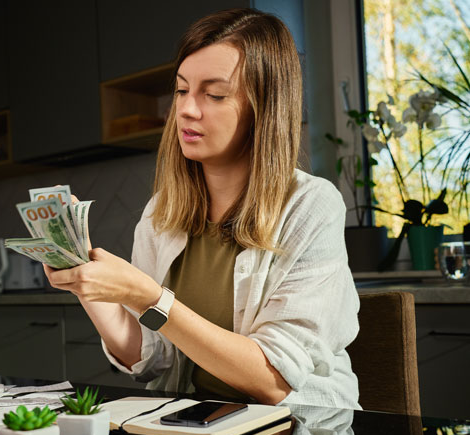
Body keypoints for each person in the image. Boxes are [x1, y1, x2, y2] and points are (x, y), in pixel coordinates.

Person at [45, 8, 360, 409]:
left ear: (264, 108)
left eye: (214, 94)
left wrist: (146, 296)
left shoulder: (312, 206)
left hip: (298, 432)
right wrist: (86, 281)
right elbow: (153, 357)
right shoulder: (163, 212)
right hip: (196, 431)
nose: (187, 110)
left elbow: (275, 380)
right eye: (181, 91)